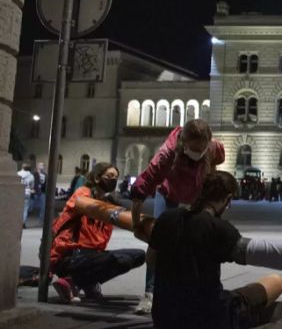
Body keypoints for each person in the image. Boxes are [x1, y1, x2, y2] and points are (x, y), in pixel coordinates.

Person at [150, 170, 282, 329]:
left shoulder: (166, 218)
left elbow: (150, 260)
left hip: (164, 317)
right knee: (276, 281)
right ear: (227, 199)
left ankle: (251, 312)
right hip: (208, 320)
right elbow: (248, 253)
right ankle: (252, 315)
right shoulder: (220, 228)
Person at [128, 119, 226, 314]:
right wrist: (136, 223)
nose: (198, 154)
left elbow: (215, 166)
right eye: (193, 148)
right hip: (169, 194)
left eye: (202, 149)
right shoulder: (167, 154)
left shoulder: (215, 149)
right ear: (184, 142)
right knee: (159, 239)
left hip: (197, 196)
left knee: (200, 241)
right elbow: (145, 183)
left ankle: (198, 290)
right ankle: (150, 293)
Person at [50, 163, 145, 303]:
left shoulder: (107, 202)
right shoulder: (83, 193)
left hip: (91, 255)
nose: (113, 180)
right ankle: (71, 281)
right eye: (109, 176)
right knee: (122, 261)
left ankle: (87, 282)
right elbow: (84, 205)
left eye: (116, 177)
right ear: (96, 178)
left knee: (139, 255)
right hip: (70, 255)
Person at [18, 163, 35, 228]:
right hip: (27, 192)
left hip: (19, 192)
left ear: (22, 168)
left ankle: (17, 222)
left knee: (18, 208)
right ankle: (23, 223)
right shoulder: (31, 176)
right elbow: (32, 186)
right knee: (25, 208)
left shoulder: (18, 173)